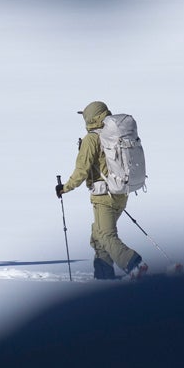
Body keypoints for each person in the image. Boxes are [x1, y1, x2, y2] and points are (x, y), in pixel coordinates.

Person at [58, 100, 145, 280]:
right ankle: (103, 275)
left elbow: (82, 170)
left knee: (105, 235)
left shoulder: (91, 139)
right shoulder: (113, 135)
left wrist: (65, 188)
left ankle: (134, 264)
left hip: (103, 197)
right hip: (121, 192)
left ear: (91, 118)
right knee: (97, 236)